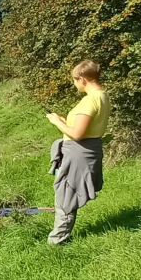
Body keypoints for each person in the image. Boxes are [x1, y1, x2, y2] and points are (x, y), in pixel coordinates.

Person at [42, 60, 111, 245]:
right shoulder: (102, 96)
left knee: (66, 194)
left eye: (74, 80)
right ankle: (59, 237)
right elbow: (84, 128)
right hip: (89, 149)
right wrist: (65, 122)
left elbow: (77, 134)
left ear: (82, 79)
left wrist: (56, 121)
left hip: (79, 152)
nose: (74, 83)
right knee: (68, 193)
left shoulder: (90, 100)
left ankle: (56, 242)